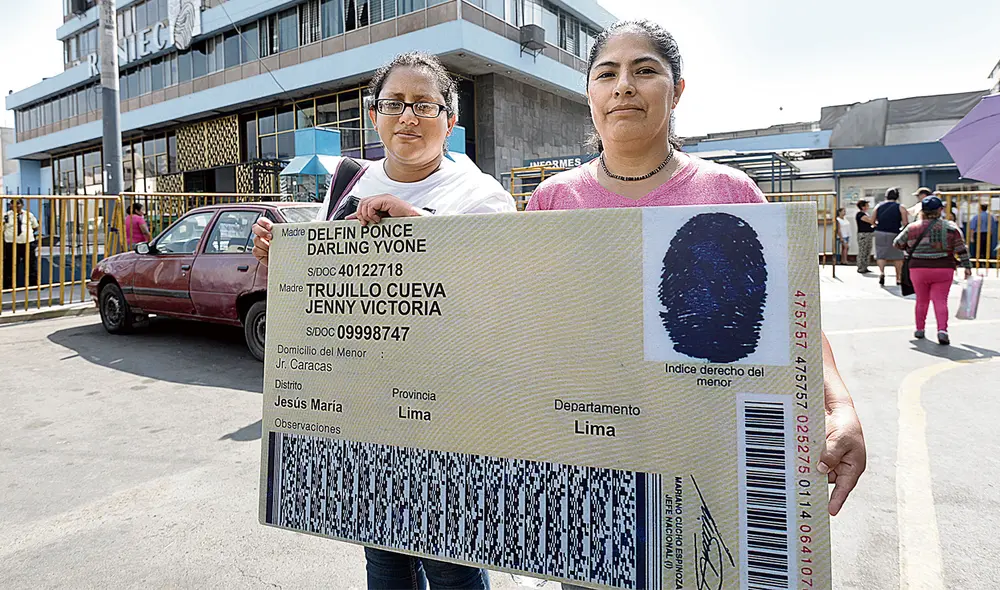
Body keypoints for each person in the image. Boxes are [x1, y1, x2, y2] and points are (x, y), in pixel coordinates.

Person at [526, 19, 866, 529]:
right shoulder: (552, 200)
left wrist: (837, 401)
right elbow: (517, 313)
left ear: (677, 91)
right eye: (606, 73)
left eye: (645, 70)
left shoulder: (731, 193)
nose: (623, 86)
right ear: (589, 93)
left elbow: (787, 313)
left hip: (704, 448)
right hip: (589, 451)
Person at [252, 52, 514, 590]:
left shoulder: (480, 194)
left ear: (451, 121)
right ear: (374, 115)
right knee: (384, 558)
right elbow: (328, 295)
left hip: (447, 417)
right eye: (394, 104)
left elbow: (496, 300)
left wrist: (417, 227)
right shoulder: (349, 181)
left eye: (424, 105)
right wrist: (286, 262)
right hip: (369, 410)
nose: (408, 117)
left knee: (451, 563)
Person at [894, 196, 972, 345]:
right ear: (940, 210)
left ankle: (919, 329)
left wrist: (909, 247)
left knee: (921, 300)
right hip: (944, 269)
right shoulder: (950, 228)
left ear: (922, 211)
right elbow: (961, 249)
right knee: (940, 300)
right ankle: (942, 331)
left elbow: (897, 243)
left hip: (918, 269)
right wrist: (967, 267)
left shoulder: (912, 228)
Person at [871, 187, 909, 286]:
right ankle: (898, 278)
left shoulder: (878, 206)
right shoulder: (901, 207)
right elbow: (905, 223)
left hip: (880, 232)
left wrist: (877, 225)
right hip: (895, 232)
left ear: (886, 196)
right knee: (897, 256)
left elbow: (872, 220)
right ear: (897, 197)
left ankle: (882, 273)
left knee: (881, 254)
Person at [3, 198, 40, 288]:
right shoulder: (6, 216)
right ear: (10, 205)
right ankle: (9, 285)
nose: (16, 206)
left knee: (31, 264)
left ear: (22, 205)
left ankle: (33, 284)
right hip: (11, 244)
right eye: (13, 204)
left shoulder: (29, 215)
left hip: (27, 243)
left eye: (18, 204)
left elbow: (36, 227)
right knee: (10, 264)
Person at [855, 199, 875, 273]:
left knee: (868, 251)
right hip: (863, 235)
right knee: (862, 251)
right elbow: (870, 221)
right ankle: (860, 267)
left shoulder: (866, 214)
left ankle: (865, 266)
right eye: (867, 205)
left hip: (869, 234)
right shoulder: (860, 214)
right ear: (862, 207)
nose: (868, 206)